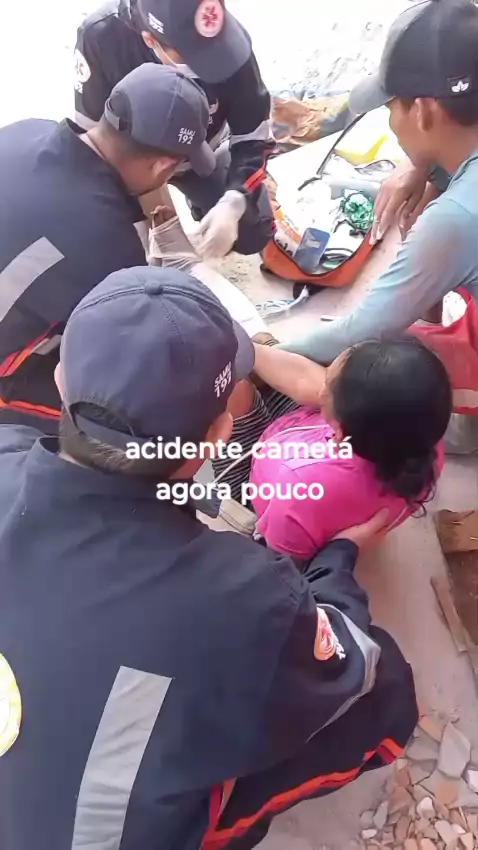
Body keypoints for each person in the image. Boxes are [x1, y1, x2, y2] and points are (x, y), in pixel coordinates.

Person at [0, 265, 418, 850]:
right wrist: (338, 558)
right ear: (221, 433)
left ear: (62, 382)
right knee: (385, 687)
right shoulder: (241, 594)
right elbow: (350, 664)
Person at [0, 62, 214, 433]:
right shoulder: (107, 241)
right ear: (162, 165)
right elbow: (124, 346)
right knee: (122, 418)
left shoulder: (27, 130)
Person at [279, 0, 478, 367]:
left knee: (370, 370)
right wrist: (422, 165)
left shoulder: (455, 217)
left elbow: (359, 333)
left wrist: (253, 356)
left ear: (423, 112)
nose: (390, 123)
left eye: (390, 108)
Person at [212, 337, 452, 561]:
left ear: (339, 431)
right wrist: (247, 347)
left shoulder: (299, 491)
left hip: (259, 484)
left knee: (230, 384)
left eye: (327, 382)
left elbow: (283, 566)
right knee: (258, 351)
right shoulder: (424, 444)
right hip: (299, 439)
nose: (321, 387)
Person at [74, 0, 275, 258]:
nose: (212, 65)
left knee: (252, 232)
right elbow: (90, 143)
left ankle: (201, 199)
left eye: (215, 54)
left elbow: (254, 135)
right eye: (196, 58)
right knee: (120, 251)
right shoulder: (102, 37)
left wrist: (236, 198)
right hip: (132, 163)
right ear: (150, 40)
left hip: (201, 153)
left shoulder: (226, 43)